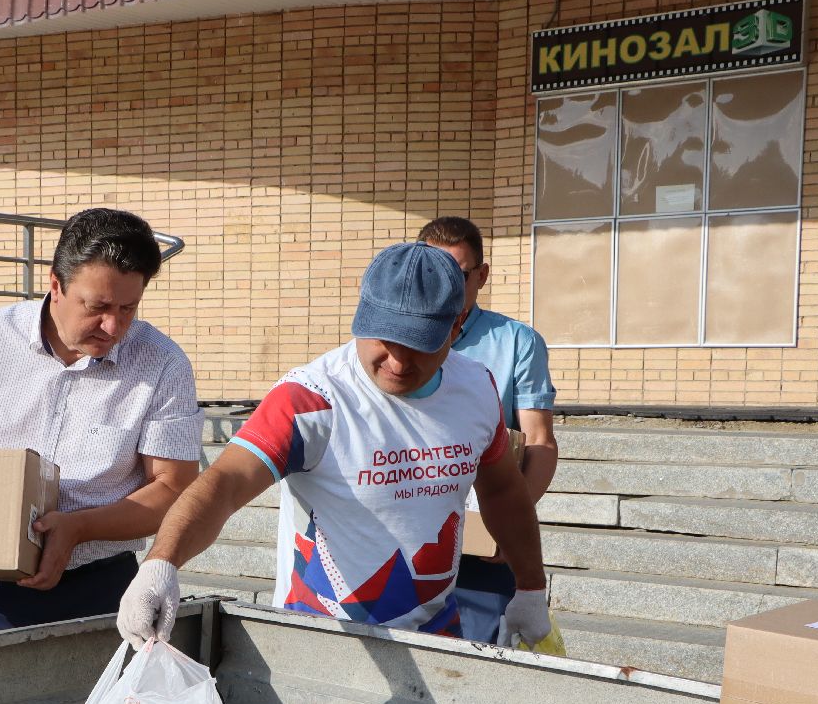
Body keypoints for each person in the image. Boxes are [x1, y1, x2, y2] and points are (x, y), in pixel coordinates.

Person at [117, 240, 550, 649]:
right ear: (360, 318)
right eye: (386, 340)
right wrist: (162, 563)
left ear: (456, 326)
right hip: (322, 641)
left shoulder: (476, 387)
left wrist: (530, 586)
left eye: (419, 345)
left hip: (436, 634)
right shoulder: (312, 398)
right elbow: (226, 482)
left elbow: (502, 490)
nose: (398, 362)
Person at [0, 208, 202, 640]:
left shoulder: (163, 363)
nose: (114, 326)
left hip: (101, 587)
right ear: (55, 285)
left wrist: (80, 527)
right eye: (98, 306)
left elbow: (173, 488)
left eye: (128, 308)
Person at [420, 216, 559, 644]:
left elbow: (538, 441)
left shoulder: (517, 342)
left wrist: (508, 525)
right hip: (409, 533)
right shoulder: (396, 342)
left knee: (477, 663)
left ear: (481, 275)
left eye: (458, 275)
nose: (445, 286)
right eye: (433, 272)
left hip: (482, 538)